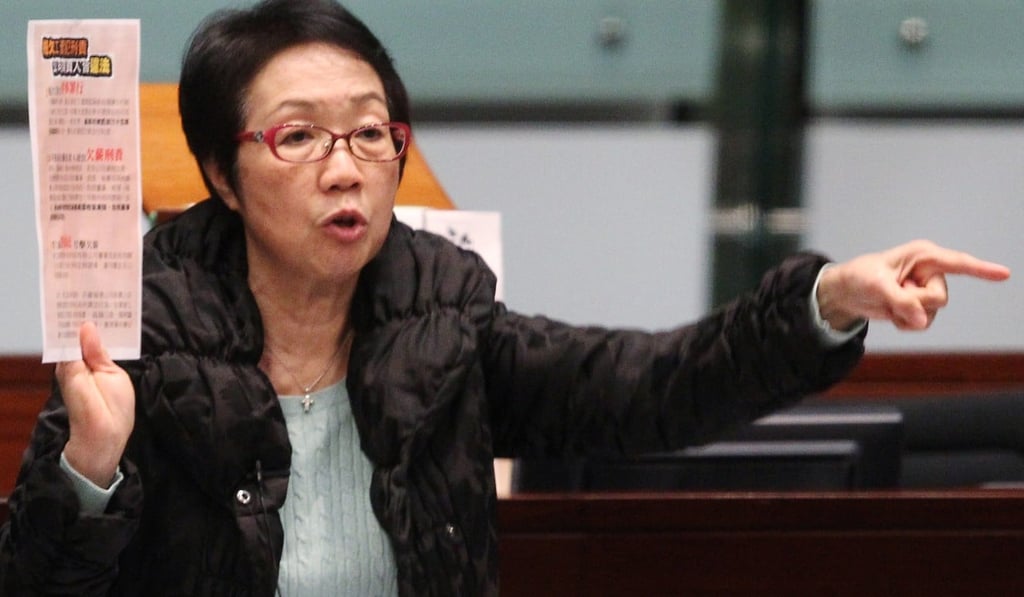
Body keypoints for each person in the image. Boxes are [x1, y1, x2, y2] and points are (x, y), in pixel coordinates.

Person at [0, 0, 1011, 595]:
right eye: (297, 136)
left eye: (369, 132)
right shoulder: (137, 344)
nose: (345, 168)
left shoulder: (445, 322)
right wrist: (90, 462)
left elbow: (651, 386)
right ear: (221, 175)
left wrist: (824, 300)